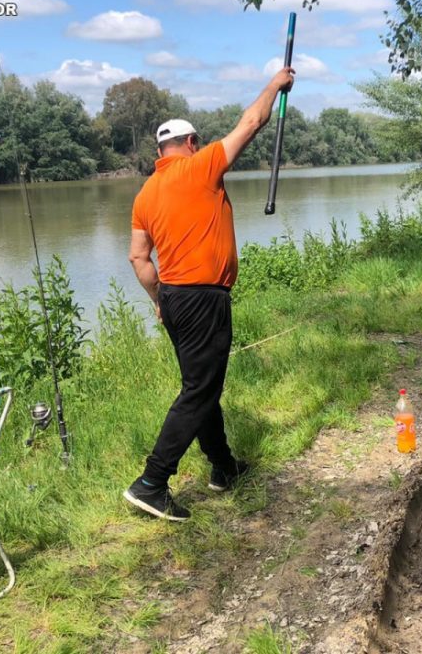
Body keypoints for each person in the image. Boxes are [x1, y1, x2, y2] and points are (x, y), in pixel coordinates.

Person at [123, 66, 296, 521]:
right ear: (193, 144)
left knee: (204, 386)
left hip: (176, 299)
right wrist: (275, 87)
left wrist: (159, 299)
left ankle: (223, 468)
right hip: (203, 298)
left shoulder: (145, 194)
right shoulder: (201, 168)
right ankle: (152, 482)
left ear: (160, 151)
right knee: (199, 389)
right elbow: (251, 123)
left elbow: (139, 259)